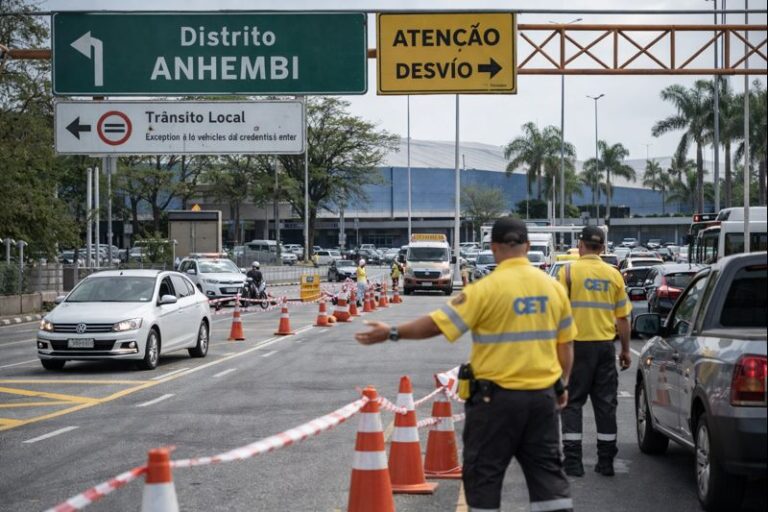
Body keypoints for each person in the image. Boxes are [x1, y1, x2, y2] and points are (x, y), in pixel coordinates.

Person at [356, 218, 576, 512]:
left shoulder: (485, 289)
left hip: (494, 402)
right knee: (548, 477)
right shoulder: (553, 289)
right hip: (541, 399)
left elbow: (437, 324)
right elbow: (566, 346)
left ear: (493, 247)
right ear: (527, 246)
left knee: (484, 476)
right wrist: (562, 386)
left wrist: (392, 332)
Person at [556, 226, 632, 478]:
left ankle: (573, 462)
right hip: (604, 348)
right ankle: (606, 461)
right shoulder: (614, 275)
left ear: (580, 245)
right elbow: (623, 318)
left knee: (572, 403)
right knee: (606, 405)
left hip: (575, 348)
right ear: (602, 248)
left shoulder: (567, 272)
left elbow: (557, 314)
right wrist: (625, 350)